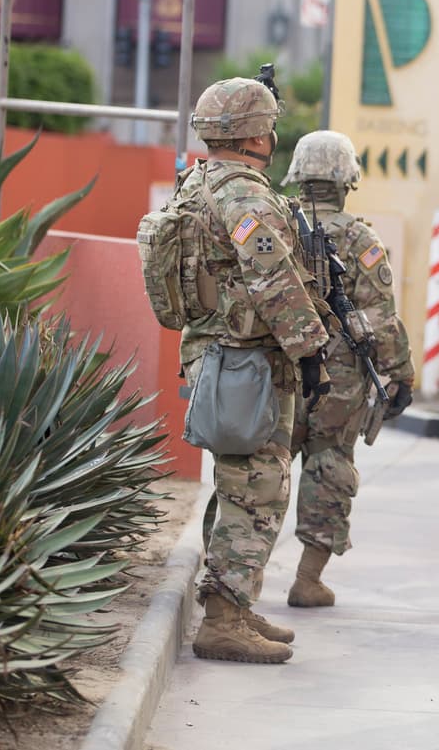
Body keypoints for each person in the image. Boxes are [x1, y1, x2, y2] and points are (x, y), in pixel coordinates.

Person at [179, 77, 331, 664]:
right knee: (256, 486)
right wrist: (311, 349)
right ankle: (221, 619)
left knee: (239, 480)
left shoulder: (197, 183)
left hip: (221, 354)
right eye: (268, 124)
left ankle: (234, 604)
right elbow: (272, 276)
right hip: (248, 360)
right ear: (253, 134)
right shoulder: (245, 197)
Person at [280, 130, 415, 607]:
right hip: (338, 379)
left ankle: (236, 582)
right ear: (347, 179)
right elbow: (380, 318)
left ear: (297, 174)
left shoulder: (276, 223)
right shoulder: (360, 238)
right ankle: (307, 579)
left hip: (280, 370)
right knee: (330, 465)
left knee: (260, 468)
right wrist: (401, 373)